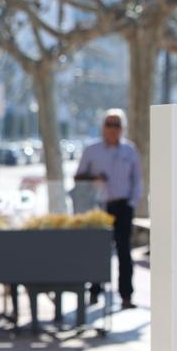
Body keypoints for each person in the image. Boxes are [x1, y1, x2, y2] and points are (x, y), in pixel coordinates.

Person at [75, 109, 143, 310]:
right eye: (109, 124)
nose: (113, 129)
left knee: (124, 252)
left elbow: (137, 179)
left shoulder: (129, 150)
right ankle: (94, 291)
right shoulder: (92, 150)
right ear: (103, 127)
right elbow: (79, 177)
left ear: (123, 128)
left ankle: (126, 295)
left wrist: (132, 202)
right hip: (99, 207)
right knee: (98, 250)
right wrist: (94, 180)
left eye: (117, 125)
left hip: (123, 205)